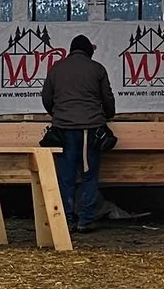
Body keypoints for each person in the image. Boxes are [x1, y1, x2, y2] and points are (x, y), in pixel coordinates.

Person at [40, 34, 114, 232]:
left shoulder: (56, 69)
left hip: (62, 130)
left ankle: (66, 220)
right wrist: (108, 115)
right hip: (89, 129)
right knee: (89, 175)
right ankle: (86, 220)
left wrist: (58, 114)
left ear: (71, 50)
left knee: (66, 176)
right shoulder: (97, 69)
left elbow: (46, 98)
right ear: (88, 51)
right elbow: (107, 98)